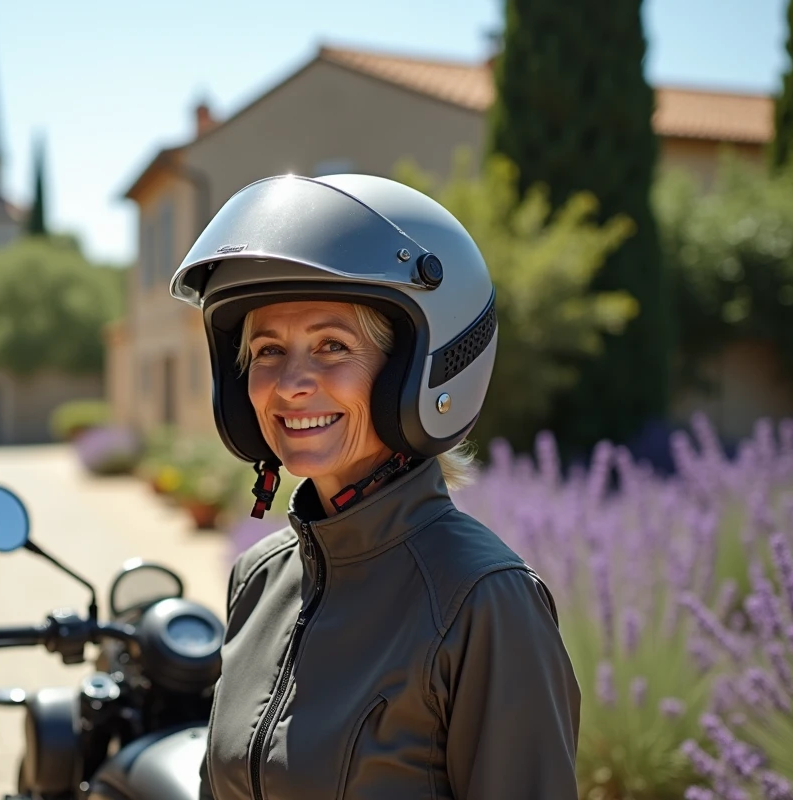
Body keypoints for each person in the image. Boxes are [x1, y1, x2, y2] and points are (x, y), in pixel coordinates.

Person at [169, 174, 581, 799]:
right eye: (269, 350)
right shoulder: (259, 578)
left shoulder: (483, 602)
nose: (291, 384)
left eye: (333, 345)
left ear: (412, 371)